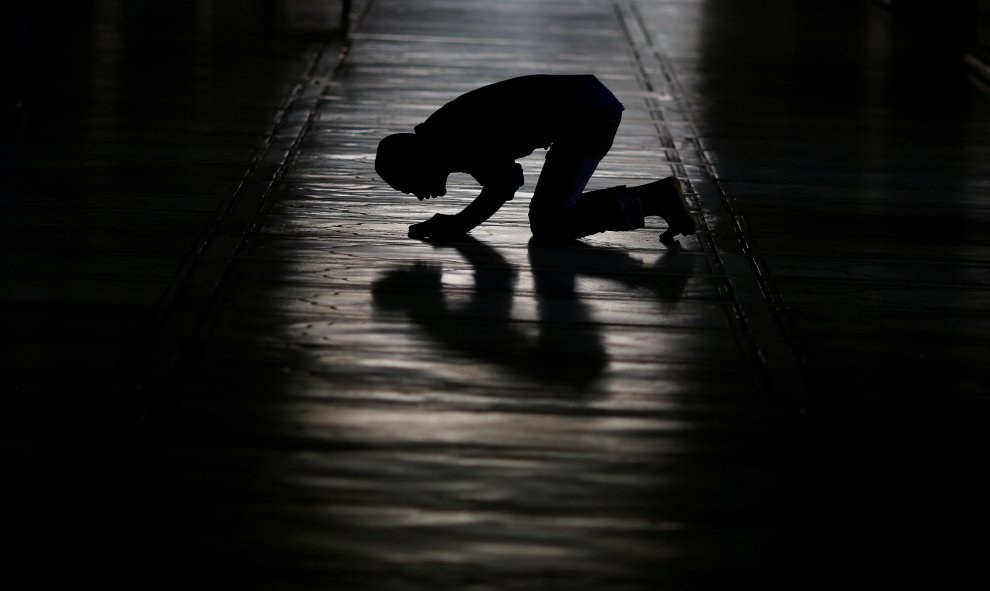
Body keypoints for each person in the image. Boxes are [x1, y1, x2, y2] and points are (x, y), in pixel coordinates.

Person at [375, 74, 696, 244]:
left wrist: (458, 223)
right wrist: (458, 222)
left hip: (587, 114)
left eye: (409, 185)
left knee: (550, 223)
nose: (418, 195)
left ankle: (655, 198)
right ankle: (654, 199)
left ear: (416, 163)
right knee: (550, 218)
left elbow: (505, 182)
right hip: (586, 103)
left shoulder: (452, 139)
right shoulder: (442, 137)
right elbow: (503, 176)